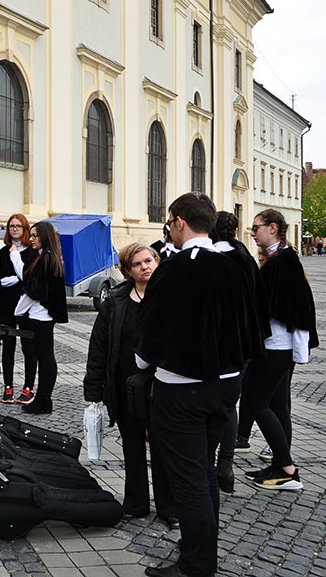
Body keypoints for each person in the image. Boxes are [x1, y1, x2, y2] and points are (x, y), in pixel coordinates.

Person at [137, 192, 263, 577]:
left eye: (169, 223)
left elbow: (151, 330)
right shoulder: (236, 263)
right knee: (204, 472)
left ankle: (196, 565)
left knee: (189, 480)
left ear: (177, 221)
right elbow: (252, 324)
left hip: (182, 388)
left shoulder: (175, 269)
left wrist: (142, 363)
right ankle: (198, 551)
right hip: (226, 386)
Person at [84, 243, 176, 526]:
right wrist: (94, 389)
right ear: (128, 271)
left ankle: (169, 507)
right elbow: (99, 346)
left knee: (163, 448)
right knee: (132, 448)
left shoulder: (169, 297)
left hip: (162, 386)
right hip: (124, 386)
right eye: (137, 264)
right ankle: (135, 503)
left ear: (157, 261)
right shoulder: (115, 302)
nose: (145, 267)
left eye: (149, 260)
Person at [243, 209, 317, 491]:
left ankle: (287, 469)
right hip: (278, 345)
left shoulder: (283, 261)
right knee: (277, 404)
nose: (253, 233)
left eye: (256, 227)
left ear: (272, 228)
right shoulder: (280, 258)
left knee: (256, 401)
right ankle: (279, 463)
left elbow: (291, 306)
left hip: (277, 346)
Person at [209, 211, 270, 494]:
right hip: (245, 341)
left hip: (221, 341)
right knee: (230, 402)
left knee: (212, 401)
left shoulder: (215, 260)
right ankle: (227, 462)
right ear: (234, 232)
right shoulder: (245, 257)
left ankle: (212, 461)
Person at [10, 221, 67, 414]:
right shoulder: (48, 257)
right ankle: (42, 400)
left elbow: (33, 289)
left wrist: (15, 257)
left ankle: (43, 401)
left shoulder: (47, 259)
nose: (32, 239)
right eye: (31, 236)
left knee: (45, 358)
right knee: (44, 358)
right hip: (41, 315)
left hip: (41, 317)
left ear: (45, 237)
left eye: (35, 236)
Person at [0, 214, 34, 403]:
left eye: (18, 226)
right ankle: (8, 386)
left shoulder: (33, 252)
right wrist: (13, 279)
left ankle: (28, 387)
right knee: (7, 346)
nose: (14, 229)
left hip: (26, 305)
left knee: (28, 347)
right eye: (11, 226)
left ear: (25, 229)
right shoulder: (3, 252)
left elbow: (29, 278)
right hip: (6, 304)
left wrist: (17, 278)